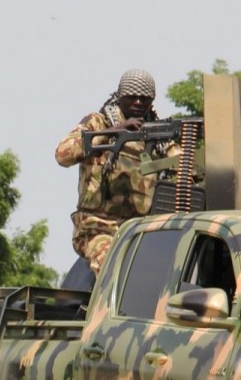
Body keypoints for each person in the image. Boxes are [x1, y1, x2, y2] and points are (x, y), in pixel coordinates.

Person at [55, 68, 177, 274]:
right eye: (132, 97)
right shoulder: (98, 122)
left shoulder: (159, 134)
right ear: (120, 97)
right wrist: (114, 132)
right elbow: (63, 154)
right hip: (98, 229)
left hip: (142, 231)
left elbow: (185, 165)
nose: (138, 103)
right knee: (112, 267)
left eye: (144, 99)